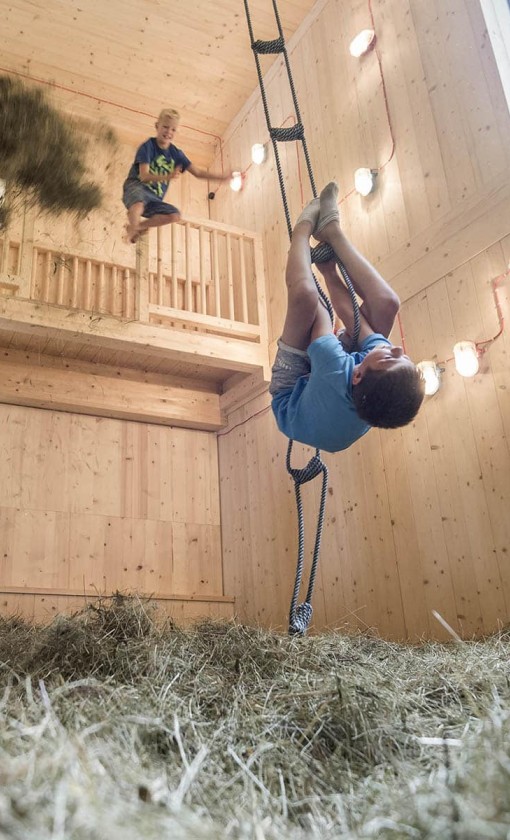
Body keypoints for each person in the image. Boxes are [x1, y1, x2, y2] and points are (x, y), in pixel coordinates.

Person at [270, 181, 425, 453]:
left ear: (358, 373)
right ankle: (332, 230)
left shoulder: (333, 368)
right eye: (405, 357)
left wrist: (310, 266)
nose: (398, 349)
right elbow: (354, 318)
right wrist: (330, 270)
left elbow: (327, 318)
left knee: (306, 297)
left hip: (293, 393)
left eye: (392, 358)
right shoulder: (372, 388)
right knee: (388, 304)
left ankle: (302, 231)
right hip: (332, 400)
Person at [122, 108, 232, 243]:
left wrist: (223, 178)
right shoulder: (148, 147)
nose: (169, 132)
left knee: (174, 215)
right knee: (138, 204)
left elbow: (198, 173)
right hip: (137, 187)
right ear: (157, 126)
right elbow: (144, 176)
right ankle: (133, 230)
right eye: (165, 127)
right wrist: (167, 177)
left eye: (173, 129)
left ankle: (137, 226)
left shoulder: (176, 154)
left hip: (154, 200)